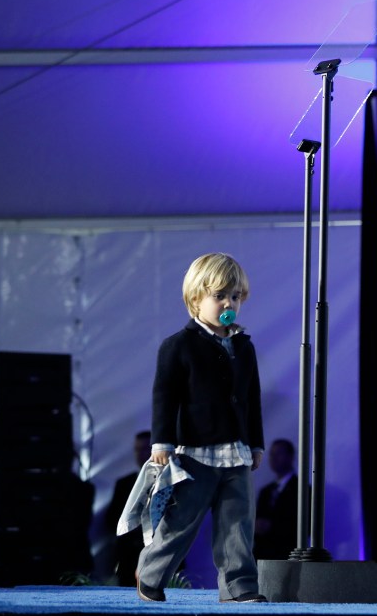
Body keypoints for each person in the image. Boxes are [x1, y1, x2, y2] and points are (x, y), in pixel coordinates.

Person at [135, 252, 267, 604]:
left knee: (237, 524)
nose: (229, 303)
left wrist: (255, 444)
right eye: (220, 296)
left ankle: (240, 587)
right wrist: (161, 442)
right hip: (195, 451)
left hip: (235, 451)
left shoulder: (244, 347)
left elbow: (251, 398)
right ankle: (150, 575)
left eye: (235, 296)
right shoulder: (178, 346)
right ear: (196, 298)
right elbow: (164, 396)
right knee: (183, 520)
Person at [104, 430, 152, 585]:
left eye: (145, 449)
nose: (140, 454)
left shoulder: (170, 482)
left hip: (159, 554)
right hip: (128, 558)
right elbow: (112, 520)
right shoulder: (124, 484)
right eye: (137, 449)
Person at [254, 438, 298, 560]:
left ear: (290, 457)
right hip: (263, 557)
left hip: (289, 557)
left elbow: (305, 527)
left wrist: (272, 527)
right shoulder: (265, 492)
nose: (273, 458)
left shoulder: (302, 490)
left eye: (279, 453)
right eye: (272, 454)